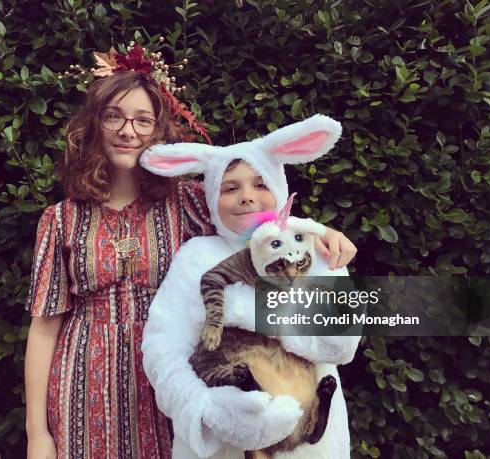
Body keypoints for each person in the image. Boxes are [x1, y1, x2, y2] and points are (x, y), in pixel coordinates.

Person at [23, 55, 358, 458]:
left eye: (142, 120)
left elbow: (258, 219)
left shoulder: (190, 202)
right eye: (114, 116)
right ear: (95, 123)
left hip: (180, 379)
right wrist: (37, 433)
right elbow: (44, 329)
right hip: (85, 389)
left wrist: (323, 233)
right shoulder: (61, 219)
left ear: (157, 131)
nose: (128, 131)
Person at [140, 116, 361, 459]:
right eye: (230, 188)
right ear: (213, 197)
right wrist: (203, 406)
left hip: (306, 440)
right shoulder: (197, 256)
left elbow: (340, 341)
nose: (247, 197)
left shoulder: (312, 249)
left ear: (279, 189)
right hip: (221, 440)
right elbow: (162, 346)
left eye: (261, 184)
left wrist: (249, 314)